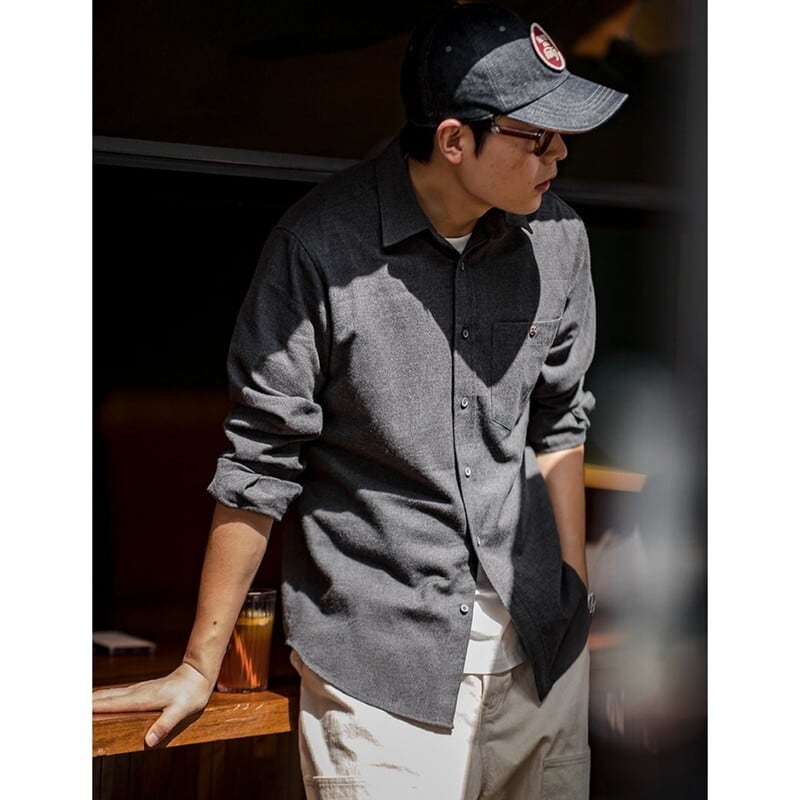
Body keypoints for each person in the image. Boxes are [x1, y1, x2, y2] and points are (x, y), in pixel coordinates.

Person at [93, 2, 627, 798]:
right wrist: (200, 665)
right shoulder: (318, 248)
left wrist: (572, 591)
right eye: (537, 136)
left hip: (542, 660)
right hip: (383, 674)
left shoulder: (560, 239)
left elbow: (560, 421)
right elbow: (259, 461)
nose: (561, 153)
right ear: (455, 140)